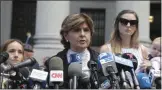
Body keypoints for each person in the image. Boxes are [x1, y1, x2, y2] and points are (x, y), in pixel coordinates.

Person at [45, 13, 100, 89]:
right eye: (77, 30)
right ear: (66, 35)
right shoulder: (53, 63)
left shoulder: (100, 60)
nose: (82, 34)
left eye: (86, 30)